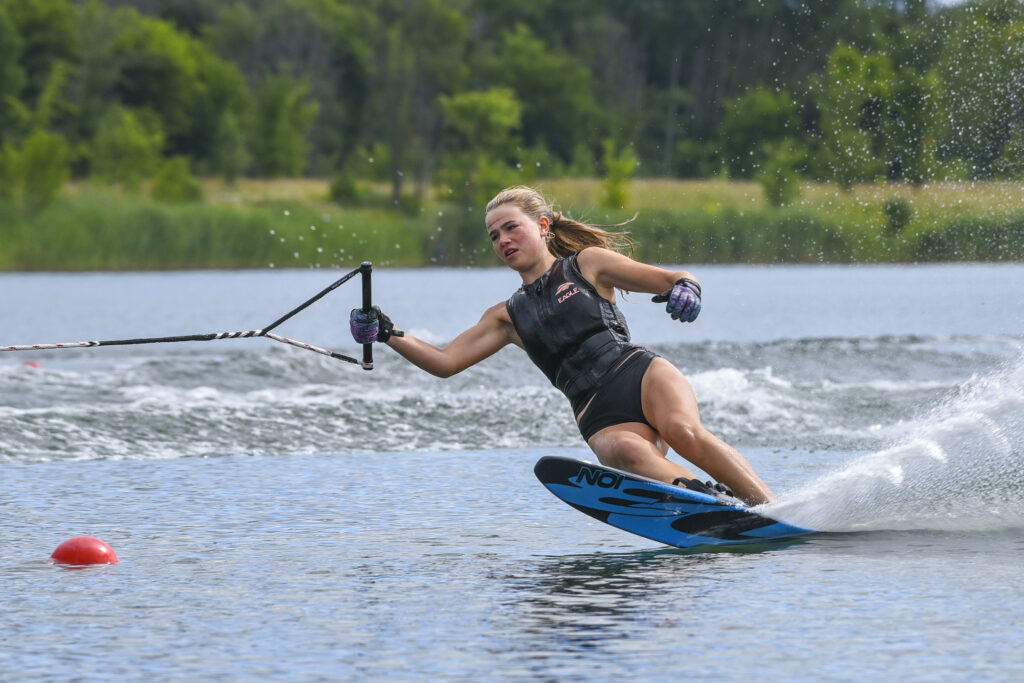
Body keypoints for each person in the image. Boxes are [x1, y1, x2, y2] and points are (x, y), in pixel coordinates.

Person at [350, 186, 775, 505]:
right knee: (627, 450)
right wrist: (388, 333)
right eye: (494, 236)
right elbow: (444, 362)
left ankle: (773, 507)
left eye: (511, 227)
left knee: (683, 432)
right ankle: (710, 502)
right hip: (596, 411)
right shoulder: (507, 316)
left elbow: (675, 277)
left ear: (542, 226)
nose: (503, 241)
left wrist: (688, 288)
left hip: (639, 374)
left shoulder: (588, 265)